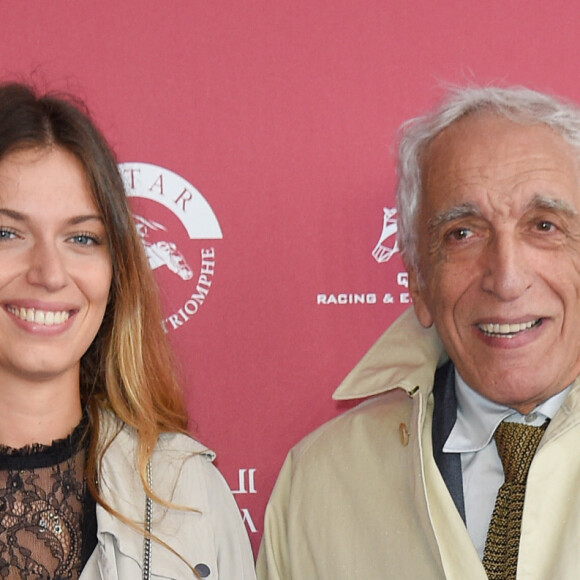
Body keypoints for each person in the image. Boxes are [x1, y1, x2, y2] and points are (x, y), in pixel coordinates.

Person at [257, 85, 580, 579]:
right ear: (419, 282)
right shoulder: (321, 479)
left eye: (544, 226)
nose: (508, 278)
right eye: (463, 233)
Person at [0, 82, 256, 579]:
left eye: (81, 238)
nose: (50, 273)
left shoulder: (189, 495)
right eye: (7, 232)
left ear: (116, 269)